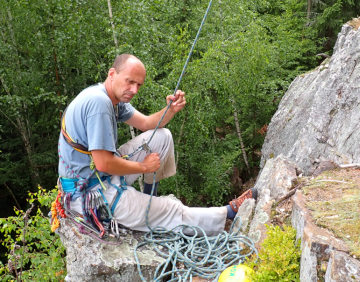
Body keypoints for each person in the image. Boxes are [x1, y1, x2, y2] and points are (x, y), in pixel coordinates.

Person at [58, 54, 256, 236]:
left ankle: (148, 198)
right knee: (171, 210)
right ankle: (228, 215)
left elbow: (145, 124)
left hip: (100, 177)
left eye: (138, 85)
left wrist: (170, 110)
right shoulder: (99, 103)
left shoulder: (110, 97)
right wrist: (143, 167)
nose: (134, 90)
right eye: (130, 82)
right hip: (91, 194)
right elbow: (103, 163)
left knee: (162, 137)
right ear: (112, 74)